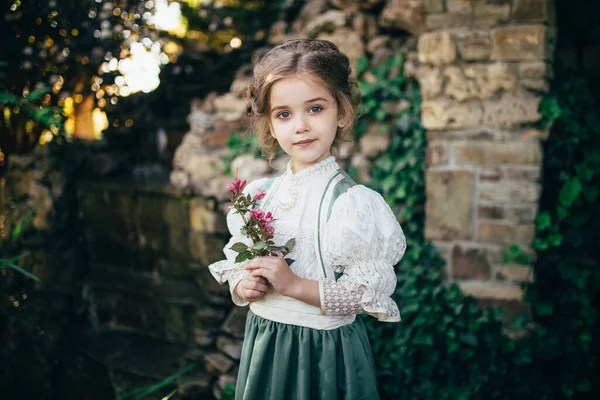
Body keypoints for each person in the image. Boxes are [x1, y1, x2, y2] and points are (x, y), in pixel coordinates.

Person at [209, 39, 406, 400]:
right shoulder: (257, 196)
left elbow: (361, 297)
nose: (300, 125)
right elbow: (242, 263)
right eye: (284, 114)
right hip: (266, 344)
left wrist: (292, 284)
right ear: (269, 123)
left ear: (342, 112)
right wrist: (242, 285)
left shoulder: (352, 204)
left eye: (314, 109)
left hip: (323, 354)